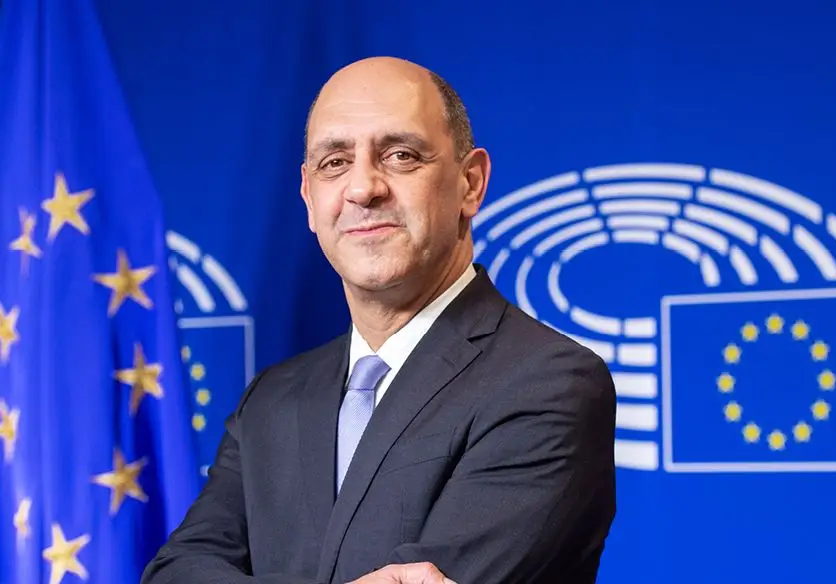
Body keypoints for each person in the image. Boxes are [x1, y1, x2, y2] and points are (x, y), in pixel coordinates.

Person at [141, 56, 617, 584]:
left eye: (400, 155)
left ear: (470, 183)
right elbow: (174, 572)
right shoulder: (272, 399)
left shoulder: (548, 384)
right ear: (309, 197)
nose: (363, 188)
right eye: (334, 163)